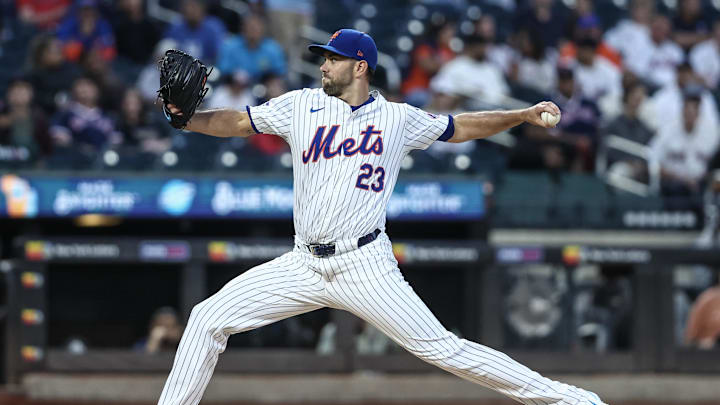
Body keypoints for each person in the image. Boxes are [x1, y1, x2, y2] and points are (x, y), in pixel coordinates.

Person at [157, 29, 606, 405]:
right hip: (303, 264)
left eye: (332, 59)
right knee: (206, 319)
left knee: (445, 350)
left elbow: (461, 126)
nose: (323, 66)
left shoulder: (397, 118)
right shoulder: (299, 106)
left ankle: (571, 400)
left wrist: (522, 115)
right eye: (323, 59)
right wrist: (186, 119)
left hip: (365, 265)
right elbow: (236, 122)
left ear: (359, 66)